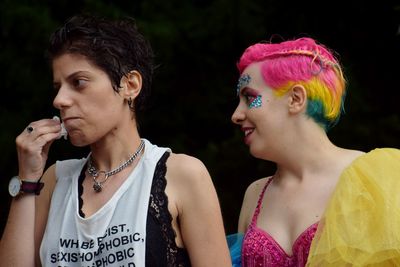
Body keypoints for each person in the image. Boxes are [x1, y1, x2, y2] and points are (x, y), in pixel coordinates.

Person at [0, 14, 231, 267]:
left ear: (129, 85)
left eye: (78, 82)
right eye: (58, 87)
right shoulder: (55, 180)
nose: (60, 100)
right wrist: (27, 179)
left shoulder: (182, 175)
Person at [229, 37, 400, 266]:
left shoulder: (377, 176)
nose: (236, 115)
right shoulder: (255, 193)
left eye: (250, 98)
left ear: (296, 99)